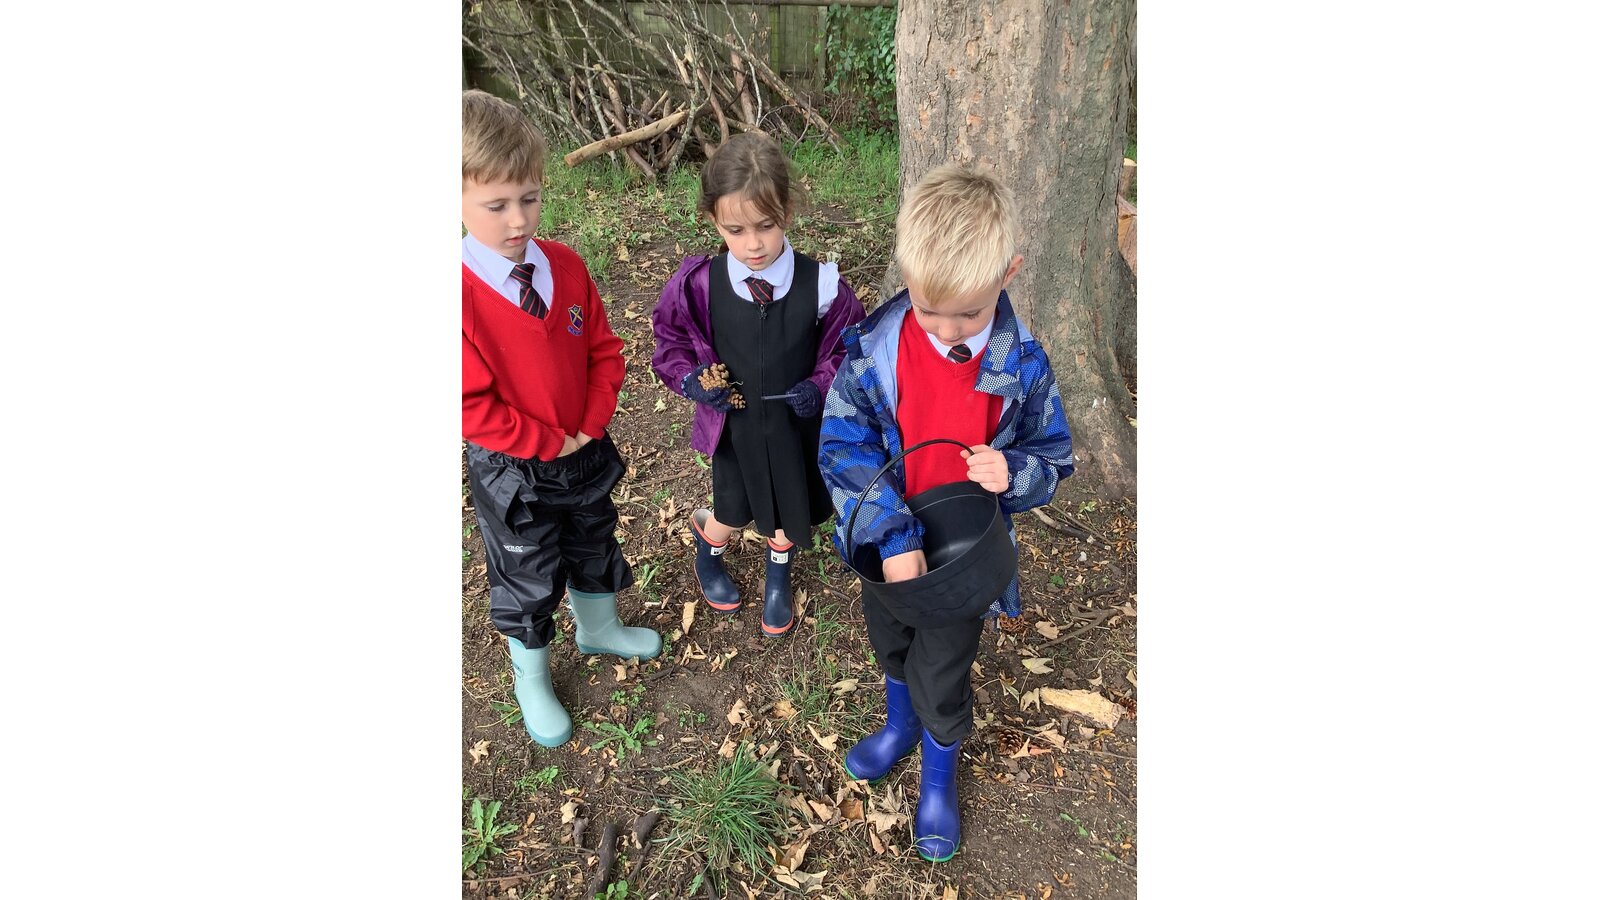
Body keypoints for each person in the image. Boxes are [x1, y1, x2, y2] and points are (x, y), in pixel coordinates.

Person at [819, 163, 1075, 861]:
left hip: (963, 557)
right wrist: (890, 534)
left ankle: (938, 775)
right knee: (891, 639)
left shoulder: (1022, 365)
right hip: (887, 539)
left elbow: (1053, 455)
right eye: (930, 309)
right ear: (908, 274)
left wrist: (1014, 472)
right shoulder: (875, 352)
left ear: (1008, 274)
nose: (948, 327)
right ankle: (898, 726)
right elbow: (844, 444)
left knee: (943, 669)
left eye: (969, 313)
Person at [461, 89, 661, 748]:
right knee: (527, 572)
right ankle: (532, 677)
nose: (518, 220)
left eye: (530, 198)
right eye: (496, 206)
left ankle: (599, 628)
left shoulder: (566, 268)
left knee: (593, 537)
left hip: (583, 446)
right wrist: (547, 440)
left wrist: (591, 422)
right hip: (514, 469)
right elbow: (470, 406)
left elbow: (603, 350)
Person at [651, 132, 866, 637]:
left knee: (788, 506)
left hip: (793, 427)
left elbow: (847, 348)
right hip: (735, 429)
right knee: (732, 507)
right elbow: (670, 340)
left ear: (787, 212)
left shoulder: (822, 285)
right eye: (735, 229)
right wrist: (693, 381)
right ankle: (709, 547)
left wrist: (820, 385)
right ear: (713, 220)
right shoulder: (700, 285)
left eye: (765, 226)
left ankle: (778, 574)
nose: (753, 244)